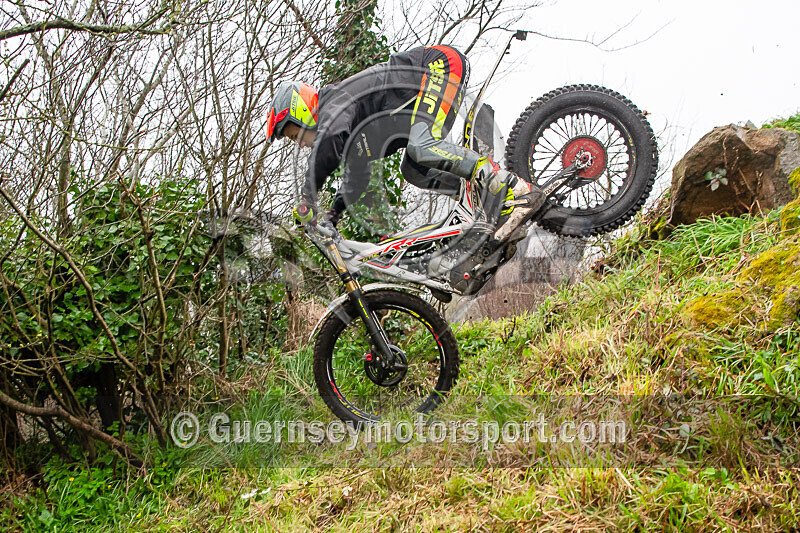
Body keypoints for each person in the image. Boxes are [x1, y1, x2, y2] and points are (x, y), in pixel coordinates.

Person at [265, 44, 544, 240]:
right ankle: (483, 200)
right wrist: (333, 214)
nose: (301, 145)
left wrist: (307, 198)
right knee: (412, 169)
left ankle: (512, 186)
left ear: (302, 112)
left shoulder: (334, 101)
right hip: (428, 90)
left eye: (295, 135)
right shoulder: (347, 135)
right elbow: (357, 179)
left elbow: (328, 142)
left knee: (421, 147)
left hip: (438, 66)